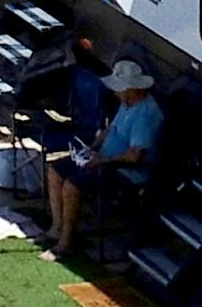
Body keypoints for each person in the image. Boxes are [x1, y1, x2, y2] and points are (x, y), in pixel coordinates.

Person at [49, 57, 163, 255]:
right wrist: (91, 148)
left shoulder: (145, 115)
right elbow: (110, 129)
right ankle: (56, 227)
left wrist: (102, 160)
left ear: (131, 89)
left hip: (123, 171)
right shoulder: (127, 104)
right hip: (103, 159)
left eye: (119, 88)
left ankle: (67, 242)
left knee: (72, 186)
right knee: (55, 170)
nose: (115, 91)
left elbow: (135, 155)